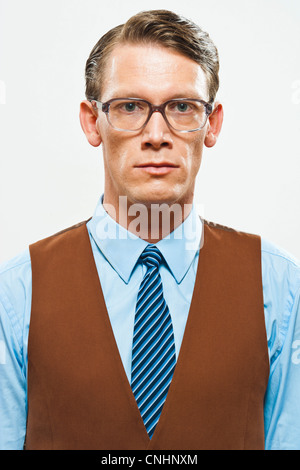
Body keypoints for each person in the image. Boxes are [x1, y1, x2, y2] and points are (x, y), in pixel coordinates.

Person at [0, 9, 299, 451]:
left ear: (211, 124)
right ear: (91, 121)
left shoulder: (278, 285)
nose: (156, 134)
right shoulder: (17, 291)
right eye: (130, 107)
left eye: (181, 107)